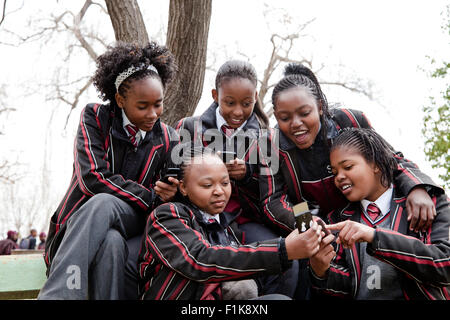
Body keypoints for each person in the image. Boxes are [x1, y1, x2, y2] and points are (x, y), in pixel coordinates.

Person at [258, 63, 442, 299]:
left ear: (320, 107)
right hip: (310, 217)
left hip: (359, 213)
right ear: (275, 115)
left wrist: (417, 187)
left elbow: (388, 158)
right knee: (313, 273)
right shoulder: (270, 145)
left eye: (305, 113)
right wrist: (308, 223)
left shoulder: (349, 119)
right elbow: (274, 200)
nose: (295, 123)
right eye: (284, 117)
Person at [38, 41, 179, 300]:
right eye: (143, 106)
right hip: (81, 227)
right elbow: (93, 177)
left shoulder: (169, 138)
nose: (153, 114)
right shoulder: (95, 118)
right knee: (111, 239)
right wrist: (149, 195)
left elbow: (169, 189)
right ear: (120, 99)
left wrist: (167, 192)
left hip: (134, 222)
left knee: (105, 204)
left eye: (158, 104)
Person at [175, 60, 298, 297]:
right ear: (215, 95)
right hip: (197, 219)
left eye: (247, 103)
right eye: (229, 103)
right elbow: (176, 174)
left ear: (255, 98)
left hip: (243, 221)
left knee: (285, 260)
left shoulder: (265, 138)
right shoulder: (189, 128)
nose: (238, 112)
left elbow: (273, 193)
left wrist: (247, 175)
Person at [138, 147, 323, 300]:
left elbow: (295, 202)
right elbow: (200, 259)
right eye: (207, 185)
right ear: (183, 187)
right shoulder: (167, 215)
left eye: (225, 183)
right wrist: (282, 250)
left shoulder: (227, 227)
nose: (219, 191)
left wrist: (309, 223)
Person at [309, 127, 450, 299]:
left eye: (348, 166)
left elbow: (444, 265)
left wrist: (375, 237)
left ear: (375, 164)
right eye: (335, 172)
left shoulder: (429, 202)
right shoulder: (336, 220)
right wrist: (321, 271)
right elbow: (348, 287)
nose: (339, 177)